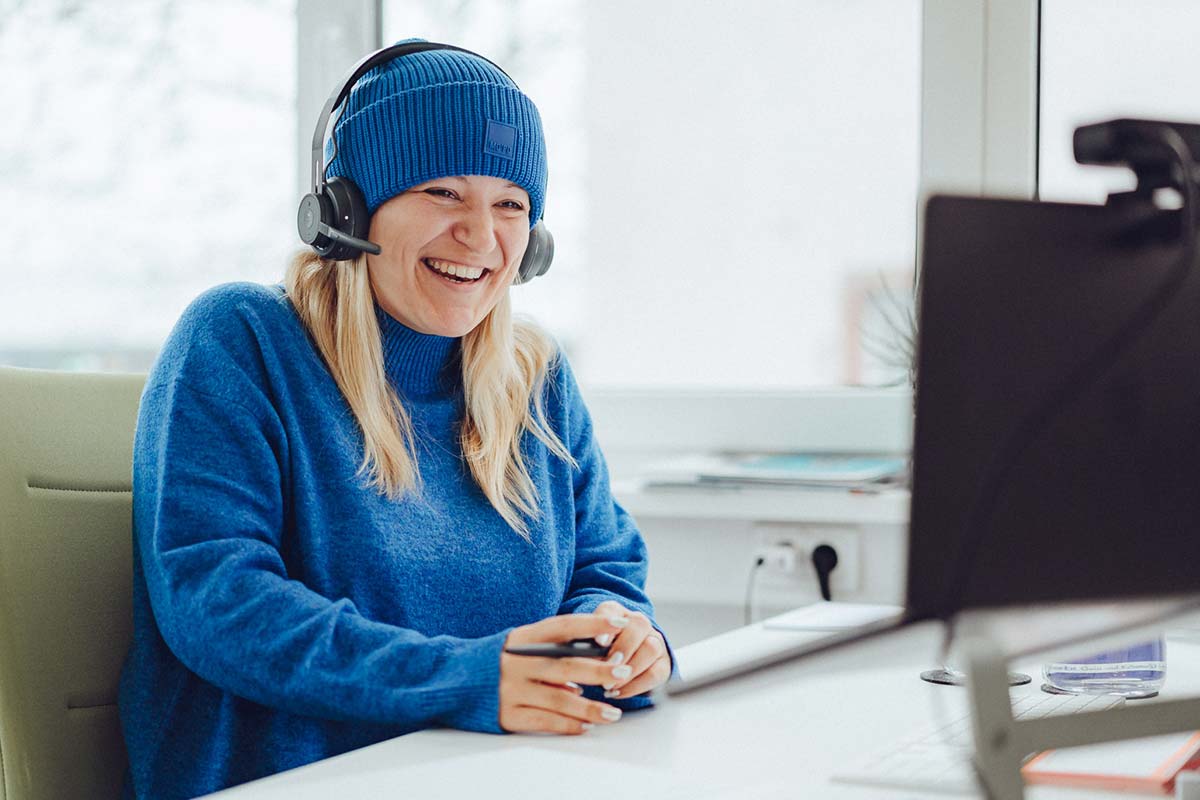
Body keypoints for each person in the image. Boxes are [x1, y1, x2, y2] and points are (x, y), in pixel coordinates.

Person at [117, 39, 673, 799]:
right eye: (443, 192)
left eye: (511, 204)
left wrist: (619, 635)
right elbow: (217, 600)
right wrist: (463, 681)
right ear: (347, 211)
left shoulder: (534, 379)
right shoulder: (241, 341)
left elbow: (605, 568)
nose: (481, 237)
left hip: (508, 776)